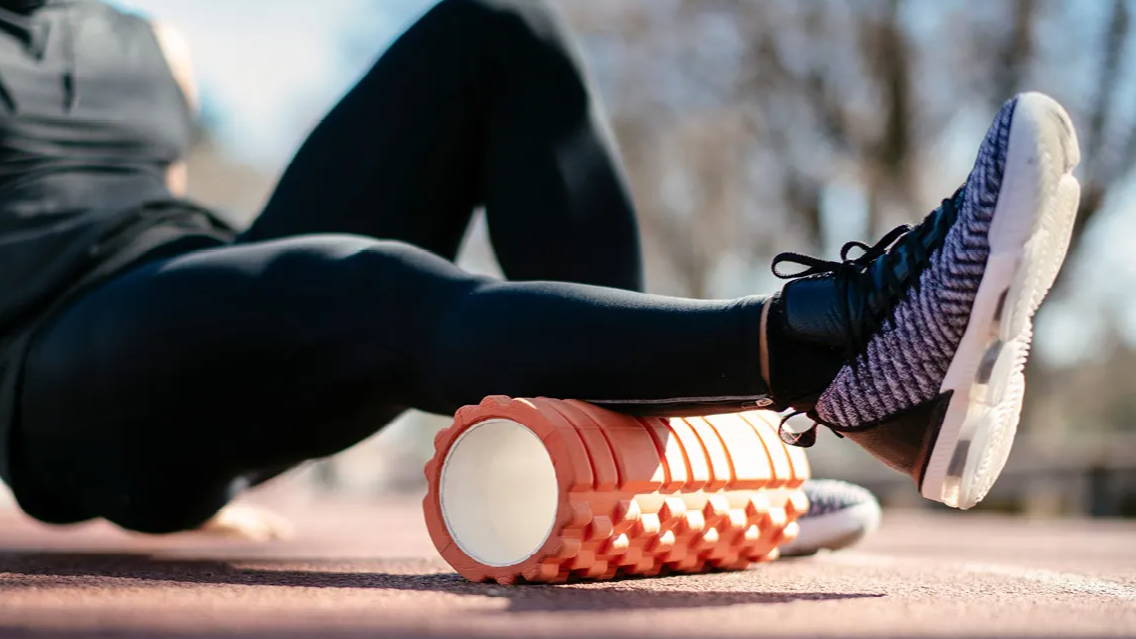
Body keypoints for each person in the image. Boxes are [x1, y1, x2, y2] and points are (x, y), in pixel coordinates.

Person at [0, 0, 1080, 535]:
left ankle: (658, 468)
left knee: (494, 31)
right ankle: (829, 347)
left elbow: (166, 213)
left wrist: (209, 436)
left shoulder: (142, 42)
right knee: (368, 283)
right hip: (54, 365)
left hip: (181, 312)